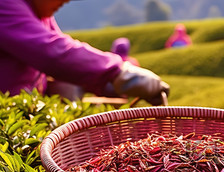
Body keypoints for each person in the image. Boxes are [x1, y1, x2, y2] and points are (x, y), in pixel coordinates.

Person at [0, 0, 169, 105]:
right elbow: (54, 52)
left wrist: (112, 86)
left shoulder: (41, 15)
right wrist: (119, 72)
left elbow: (68, 58)